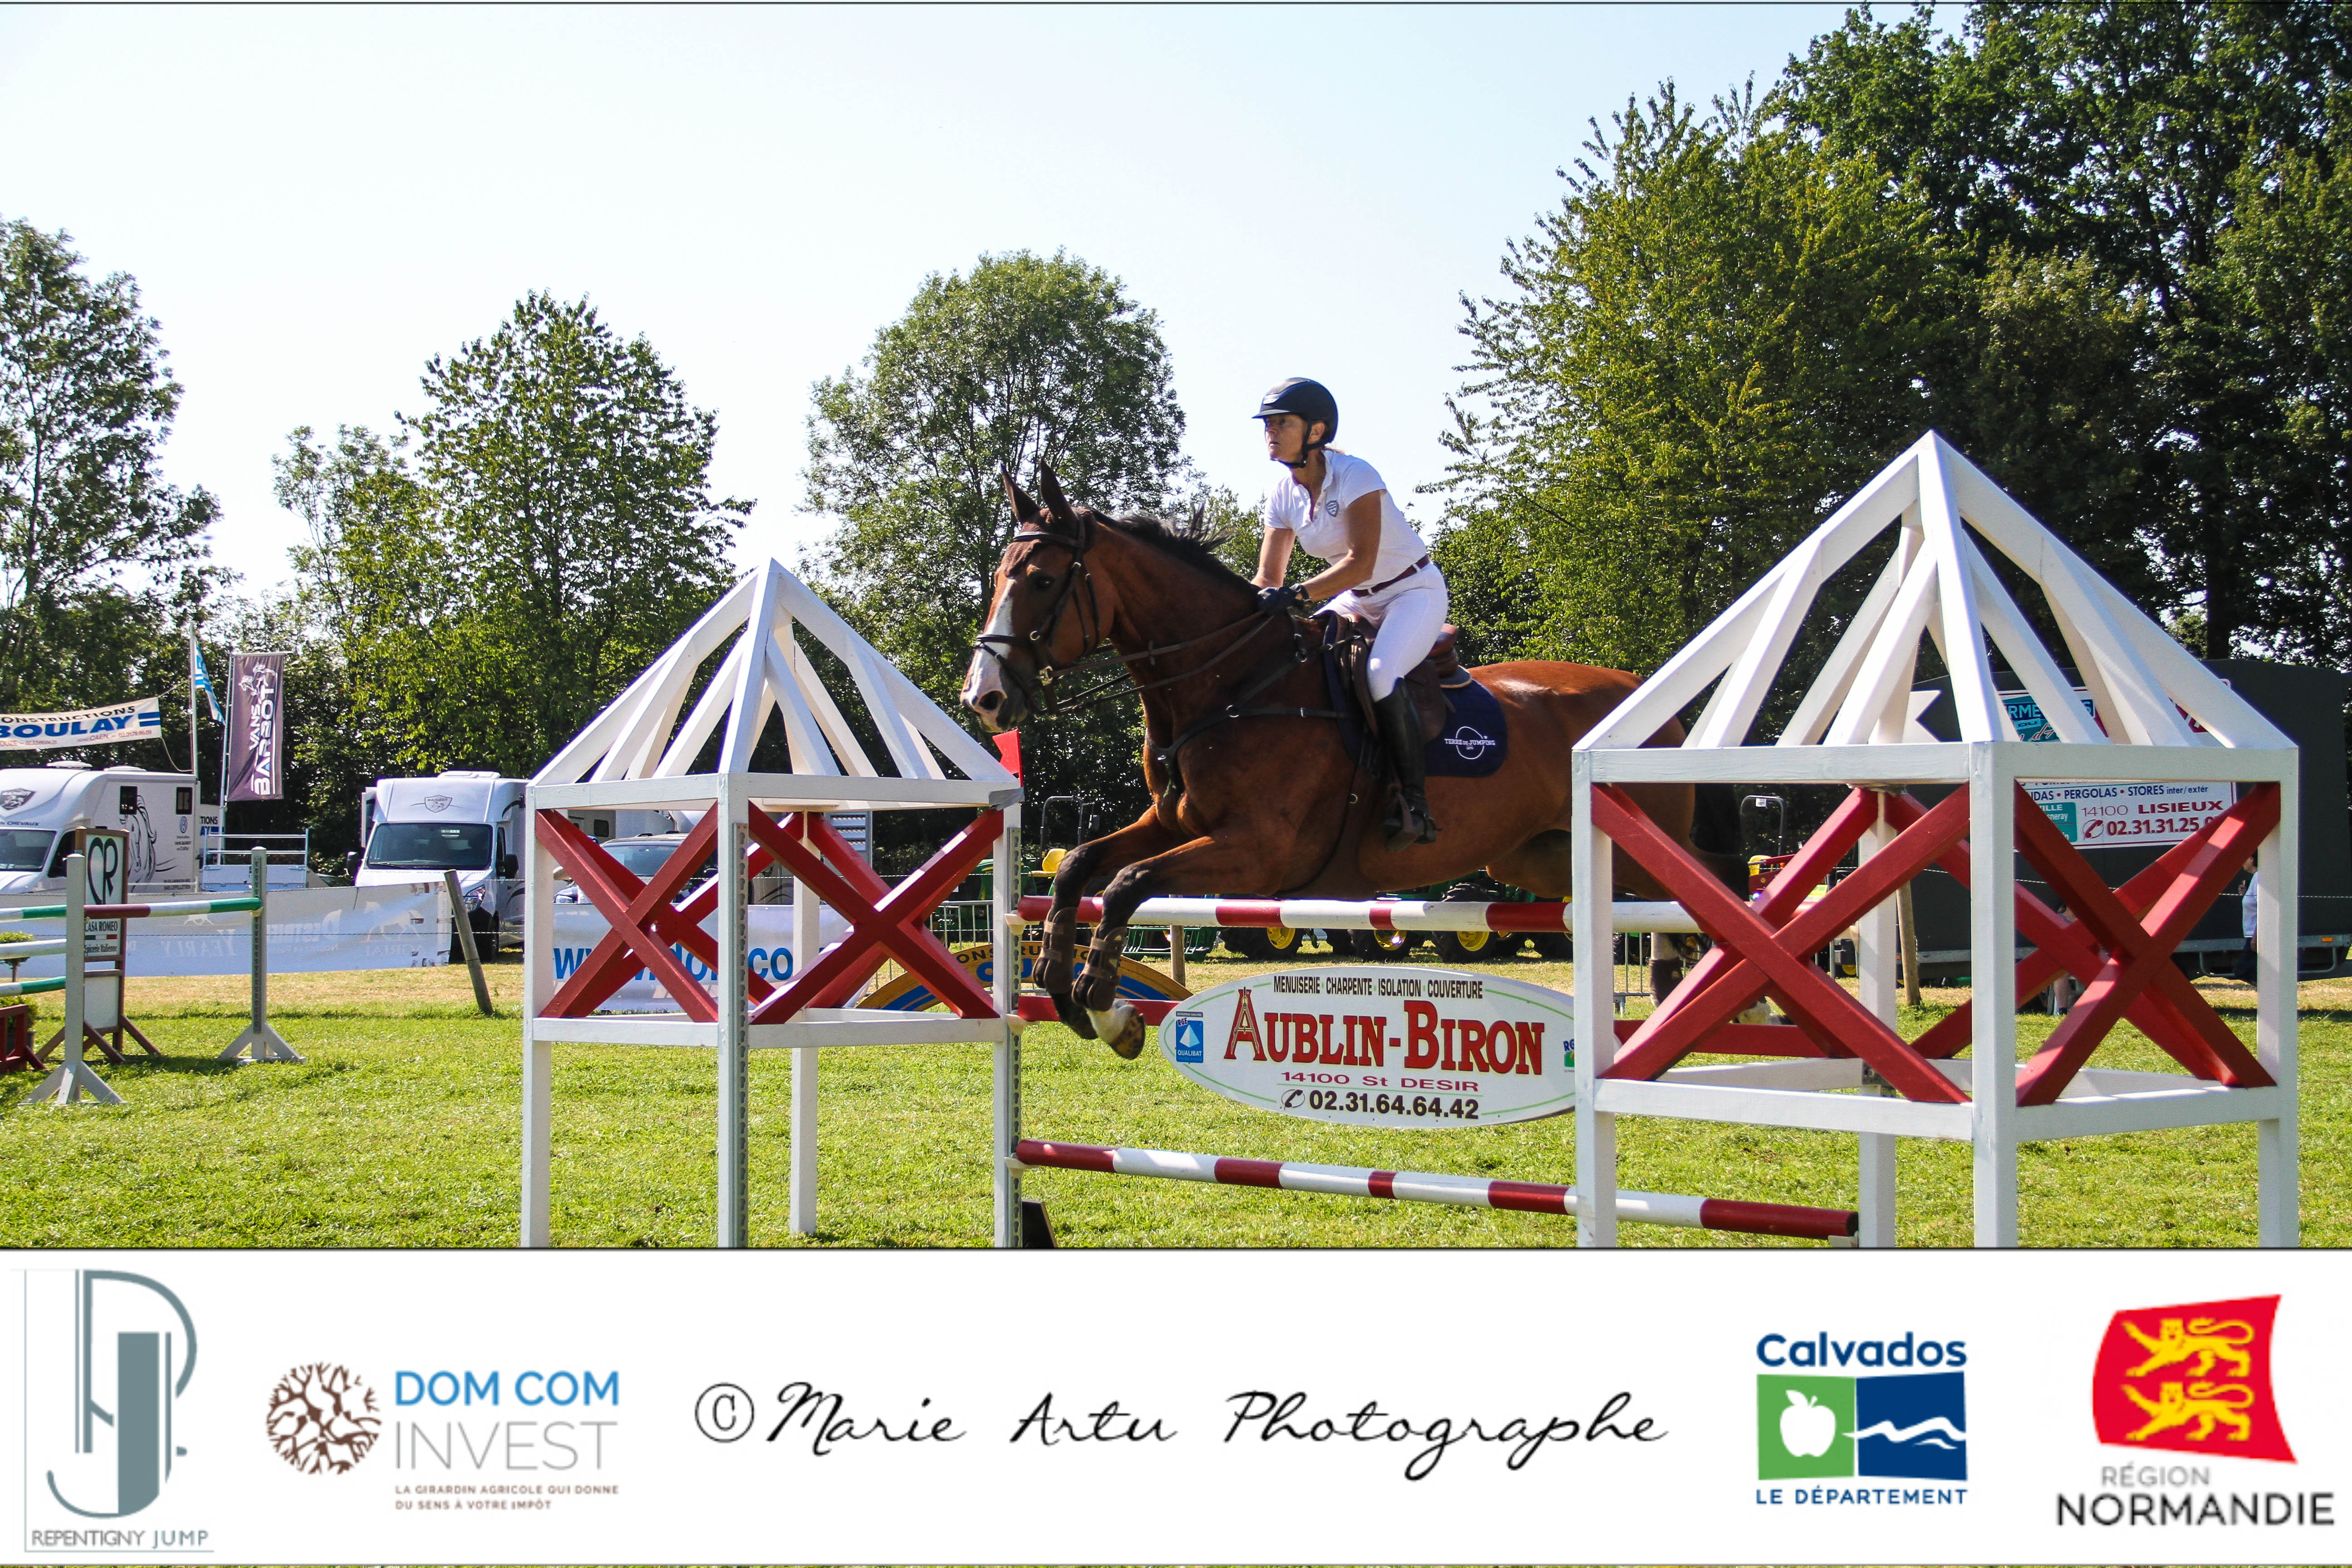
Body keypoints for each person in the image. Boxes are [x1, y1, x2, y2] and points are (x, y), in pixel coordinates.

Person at [1250, 377, 1448, 849]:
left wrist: (1296, 594)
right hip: (1358, 597)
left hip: (1412, 591)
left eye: (1282, 423)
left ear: (1316, 431)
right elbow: (1268, 577)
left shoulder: (1356, 474)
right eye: (1268, 424)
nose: (1271, 431)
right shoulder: (1283, 493)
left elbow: (1360, 561)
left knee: (1380, 673)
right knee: (1301, 655)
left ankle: (1415, 804)